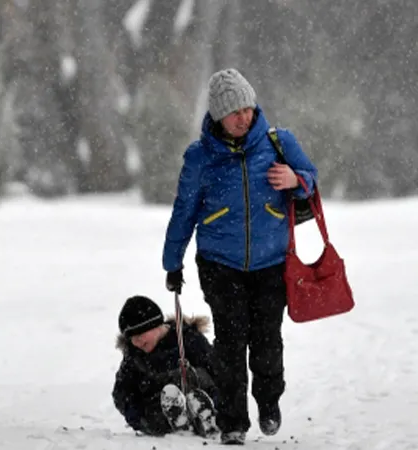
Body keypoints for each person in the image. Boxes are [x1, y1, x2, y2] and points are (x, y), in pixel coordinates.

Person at [162, 68, 318, 445]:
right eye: (234, 112)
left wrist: (296, 181)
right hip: (220, 265)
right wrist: (172, 261)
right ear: (218, 115)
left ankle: (268, 402)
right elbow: (184, 210)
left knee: (267, 340)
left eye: (247, 108)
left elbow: (311, 179)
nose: (243, 117)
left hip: (271, 262)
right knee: (230, 343)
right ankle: (232, 422)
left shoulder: (279, 142)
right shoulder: (200, 157)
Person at [112, 295, 219, 437]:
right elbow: (122, 391)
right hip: (158, 413)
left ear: (157, 326)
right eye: (132, 338)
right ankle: (177, 421)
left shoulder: (188, 339)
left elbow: (218, 372)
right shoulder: (134, 356)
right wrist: (139, 419)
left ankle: (206, 417)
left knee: (192, 376)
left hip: (195, 394)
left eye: (141, 334)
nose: (138, 341)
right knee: (159, 391)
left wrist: (220, 402)